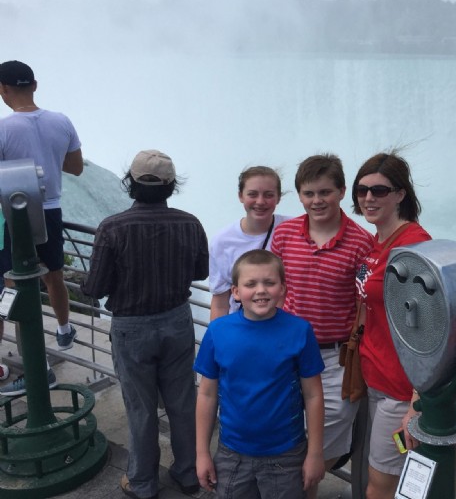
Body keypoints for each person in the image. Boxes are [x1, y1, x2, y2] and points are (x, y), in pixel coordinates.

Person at [81, 150, 208, 499]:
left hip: (131, 328)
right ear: (171, 186)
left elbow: (96, 287)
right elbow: (201, 272)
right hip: (178, 321)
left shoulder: (111, 227)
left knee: (141, 407)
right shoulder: (190, 223)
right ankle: (188, 475)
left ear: (131, 182)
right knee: (182, 403)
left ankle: (142, 483)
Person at [270, 153, 373, 498]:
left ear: (342, 191)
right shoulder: (284, 234)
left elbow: (365, 303)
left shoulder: (361, 243)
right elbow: (275, 288)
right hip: (287, 352)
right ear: (299, 195)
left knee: (324, 444)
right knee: (285, 433)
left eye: (325, 192)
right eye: (309, 193)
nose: (317, 201)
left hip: (335, 360)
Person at [195, 250, 325, 498]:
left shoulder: (300, 331)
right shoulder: (217, 332)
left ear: (283, 288)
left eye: (269, 282)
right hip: (232, 453)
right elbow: (207, 395)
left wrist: (315, 453)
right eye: (250, 284)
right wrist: (202, 453)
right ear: (235, 292)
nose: (261, 290)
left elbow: (313, 395)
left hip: (286, 454)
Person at [351, 152, 432, 499]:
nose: (369, 198)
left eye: (380, 191)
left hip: (399, 391)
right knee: (388, 478)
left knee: (381, 486)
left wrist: (417, 403)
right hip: (376, 378)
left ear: (400, 195)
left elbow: (430, 331)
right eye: (362, 190)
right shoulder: (377, 240)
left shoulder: (414, 245)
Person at [0, 60, 83, 393]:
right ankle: (64, 330)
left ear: (3, 90)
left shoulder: (4, 129)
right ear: (34, 85)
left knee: (13, 285)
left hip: (16, 214)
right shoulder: (61, 121)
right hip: (51, 210)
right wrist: (45, 155)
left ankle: (38, 368)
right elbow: (75, 167)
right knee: (54, 276)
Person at [208, 166, 289, 321]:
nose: (260, 201)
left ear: (278, 197)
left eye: (268, 195)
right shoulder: (222, 241)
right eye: (252, 194)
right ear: (241, 196)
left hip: (283, 328)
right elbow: (220, 302)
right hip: (242, 327)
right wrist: (217, 338)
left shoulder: (293, 229)